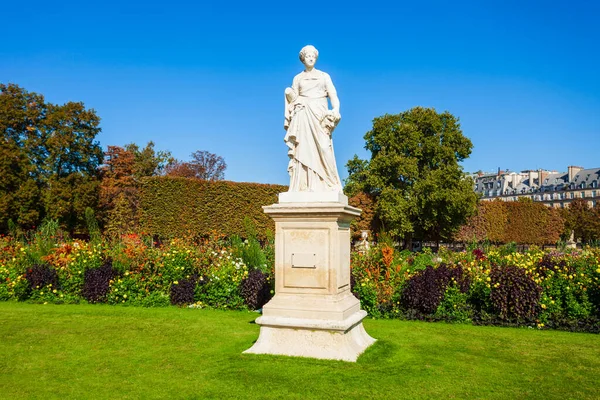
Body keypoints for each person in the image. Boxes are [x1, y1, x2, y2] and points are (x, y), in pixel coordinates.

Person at [284, 45, 343, 192]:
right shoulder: (298, 78)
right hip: (303, 115)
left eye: (313, 56)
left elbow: (333, 96)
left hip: (320, 115)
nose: (311, 58)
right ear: (303, 59)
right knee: (302, 149)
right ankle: (304, 185)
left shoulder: (324, 76)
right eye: (308, 56)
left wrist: (335, 110)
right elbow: (294, 98)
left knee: (324, 148)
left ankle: (331, 183)